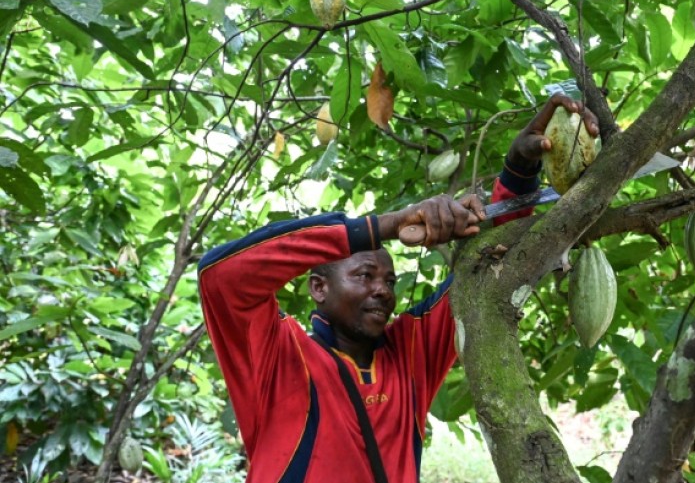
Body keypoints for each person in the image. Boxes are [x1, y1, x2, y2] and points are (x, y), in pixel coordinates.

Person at [197, 95, 599, 483]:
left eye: (389, 281)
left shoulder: (410, 353)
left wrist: (519, 170)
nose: (382, 291)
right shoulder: (278, 357)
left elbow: (489, 273)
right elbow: (221, 275)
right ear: (318, 287)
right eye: (364, 275)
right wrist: (385, 226)